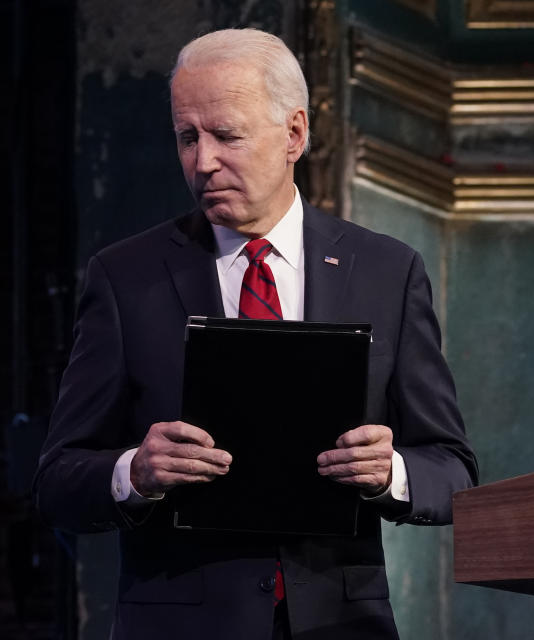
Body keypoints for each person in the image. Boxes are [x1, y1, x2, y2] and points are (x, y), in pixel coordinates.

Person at [33, 28, 477, 640]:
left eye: (226, 135)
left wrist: (390, 471)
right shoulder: (124, 278)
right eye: (187, 137)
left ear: (294, 133)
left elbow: (453, 470)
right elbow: (57, 482)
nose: (202, 160)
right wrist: (134, 471)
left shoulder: (387, 272)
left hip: (341, 625)